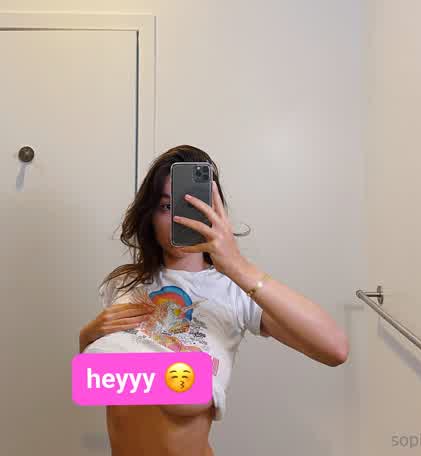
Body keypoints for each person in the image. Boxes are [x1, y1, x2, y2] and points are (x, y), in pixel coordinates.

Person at [79, 144, 350, 456]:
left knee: (183, 388)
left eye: (191, 207)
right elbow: (95, 384)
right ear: (149, 214)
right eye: (166, 206)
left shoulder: (233, 289)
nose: (179, 219)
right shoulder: (124, 282)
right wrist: (87, 338)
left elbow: (335, 348)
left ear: (214, 212)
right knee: (178, 383)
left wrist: (238, 266)